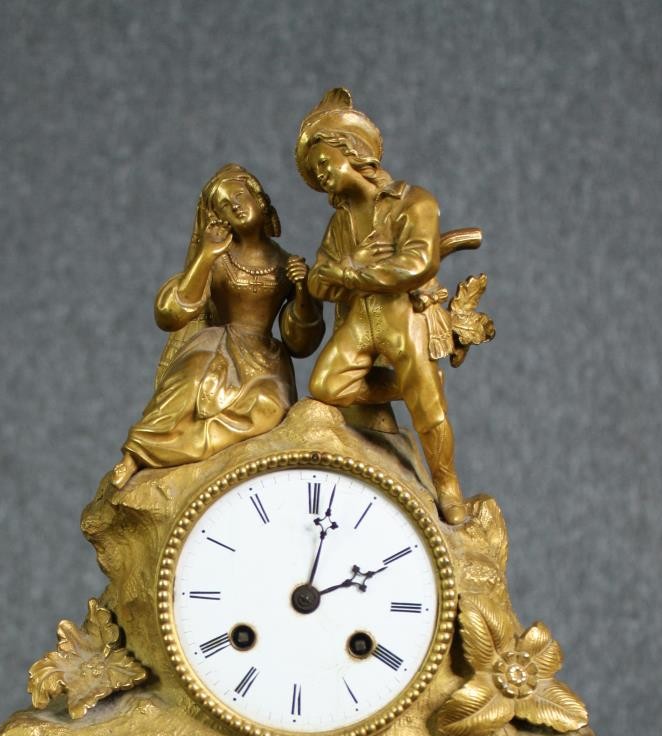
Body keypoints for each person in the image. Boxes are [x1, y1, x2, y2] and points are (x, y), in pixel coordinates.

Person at [295, 89, 473, 524]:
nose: (321, 178)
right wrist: (344, 274)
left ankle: (448, 487)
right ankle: (412, 385)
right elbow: (320, 280)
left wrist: (350, 272)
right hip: (362, 318)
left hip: (402, 315)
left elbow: (415, 263)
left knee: (428, 412)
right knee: (326, 385)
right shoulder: (340, 223)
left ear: (351, 152)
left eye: (324, 164)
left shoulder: (414, 201)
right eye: (315, 174)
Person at [108, 165, 324, 489]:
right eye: (224, 205)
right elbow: (170, 313)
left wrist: (303, 291)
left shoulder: (286, 263)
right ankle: (137, 454)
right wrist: (206, 255)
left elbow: (300, 342)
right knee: (188, 383)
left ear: (260, 200)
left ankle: (189, 451)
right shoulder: (219, 258)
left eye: (239, 196)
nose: (234, 205)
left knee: (270, 409)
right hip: (216, 344)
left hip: (266, 361)